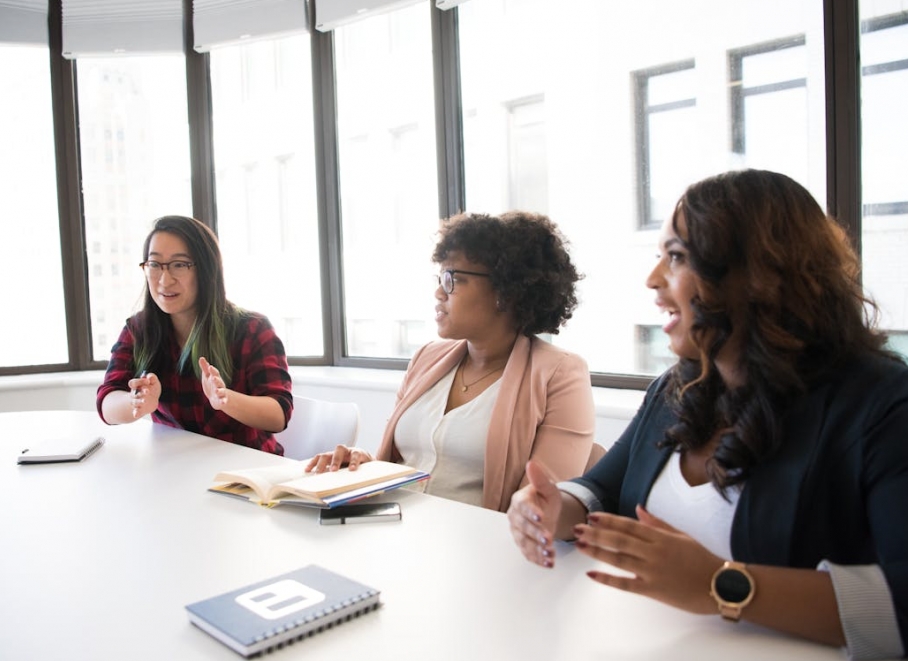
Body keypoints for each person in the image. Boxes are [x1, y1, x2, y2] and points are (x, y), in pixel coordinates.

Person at [507, 169, 908, 658]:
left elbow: (901, 607)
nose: (653, 279)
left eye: (676, 257)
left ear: (759, 274)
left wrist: (722, 586)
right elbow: (604, 490)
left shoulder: (882, 404)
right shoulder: (678, 386)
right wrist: (553, 509)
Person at [307, 211, 596, 513]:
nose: (438, 293)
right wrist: (363, 465)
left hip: (479, 548)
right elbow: (403, 463)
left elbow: (540, 508)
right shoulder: (426, 358)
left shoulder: (560, 374)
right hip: (391, 531)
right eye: (439, 278)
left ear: (506, 292)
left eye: (452, 280)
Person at [97, 215, 292, 454]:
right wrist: (135, 402)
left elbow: (278, 415)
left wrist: (225, 399)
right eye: (155, 264)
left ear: (206, 270)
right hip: (177, 469)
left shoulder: (252, 329)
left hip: (245, 473)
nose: (164, 280)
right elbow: (107, 402)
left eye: (179, 265)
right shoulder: (139, 331)